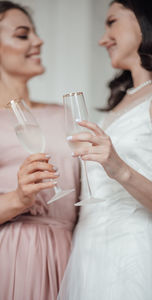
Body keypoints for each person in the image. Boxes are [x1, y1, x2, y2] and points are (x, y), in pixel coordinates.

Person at [0, 1, 80, 299]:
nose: (38, 41)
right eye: (23, 35)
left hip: (74, 256)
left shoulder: (64, 112)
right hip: (17, 259)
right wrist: (19, 198)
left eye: (35, 33)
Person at [58, 0, 152, 299]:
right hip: (89, 247)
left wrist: (120, 169)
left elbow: (118, 169)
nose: (102, 39)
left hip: (133, 247)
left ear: (143, 19)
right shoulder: (121, 100)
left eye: (111, 22)